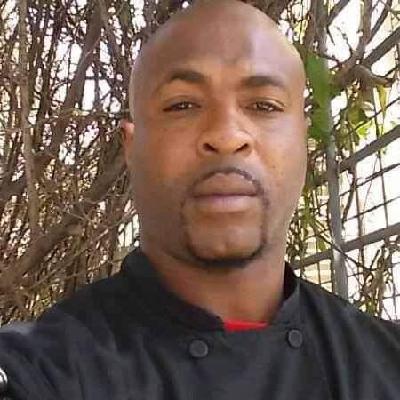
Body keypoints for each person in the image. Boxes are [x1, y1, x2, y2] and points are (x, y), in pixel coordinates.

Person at [1, 1, 399, 399]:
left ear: (304, 141)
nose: (226, 135)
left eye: (264, 105)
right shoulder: (43, 371)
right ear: (132, 148)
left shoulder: (385, 362)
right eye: (182, 105)